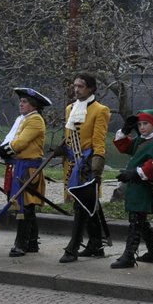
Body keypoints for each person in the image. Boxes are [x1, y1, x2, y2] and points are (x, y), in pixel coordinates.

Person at [58, 73, 111, 263]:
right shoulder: (70, 109)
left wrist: (96, 170)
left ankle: (72, 248)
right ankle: (96, 244)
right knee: (89, 204)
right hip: (72, 163)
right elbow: (70, 137)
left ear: (90, 88)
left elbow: (99, 142)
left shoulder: (100, 110)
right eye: (75, 86)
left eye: (81, 86)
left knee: (81, 205)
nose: (77, 89)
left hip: (87, 164)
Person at [110, 109, 153, 268]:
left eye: (146, 123)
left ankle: (129, 255)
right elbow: (122, 146)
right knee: (139, 220)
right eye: (140, 124)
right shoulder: (139, 140)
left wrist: (134, 173)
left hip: (144, 186)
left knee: (136, 220)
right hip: (135, 187)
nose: (142, 127)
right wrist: (125, 130)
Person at [0, 87, 50, 257]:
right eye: (20, 101)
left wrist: (1, 153)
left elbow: (20, 143)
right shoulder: (24, 119)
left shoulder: (35, 120)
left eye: (25, 102)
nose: (21, 104)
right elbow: (13, 140)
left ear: (33, 105)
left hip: (28, 169)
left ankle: (21, 244)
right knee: (27, 207)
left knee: (25, 206)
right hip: (20, 166)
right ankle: (32, 242)